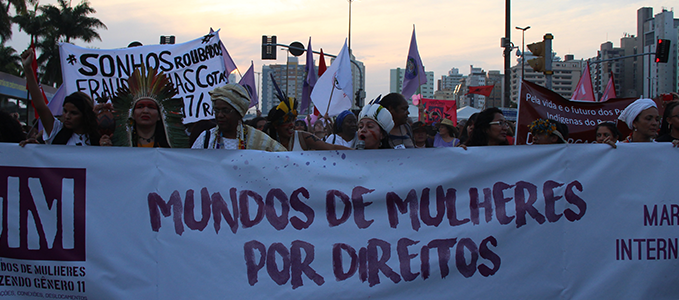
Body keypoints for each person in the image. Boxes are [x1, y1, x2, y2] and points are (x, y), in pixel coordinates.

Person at [20, 49, 100, 146]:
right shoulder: (56, 130)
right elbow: (40, 106)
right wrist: (28, 69)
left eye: (74, 113)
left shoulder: (97, 137)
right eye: (65, 111)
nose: (67, 116)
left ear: (85, 115)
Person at [104, 65, 187, 148]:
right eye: (140, 107)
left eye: (151, 107)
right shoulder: (118, 146)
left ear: (159, 116)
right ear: (132, 114)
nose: (145, 111)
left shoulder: (170, 147)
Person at [192, 84, 286, 151]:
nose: (220, 115)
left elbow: (283, 161)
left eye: (225, 110)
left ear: (239, 113)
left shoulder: (258, 140)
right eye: (217, 110)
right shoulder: (206, 139)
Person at [266, 97, 350, 151]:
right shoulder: (265, 142)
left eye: (293, 120)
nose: (292, 125)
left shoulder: (303, 137)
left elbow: (332, 148)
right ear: (276, 125)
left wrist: (358, 153)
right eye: (287, 121)